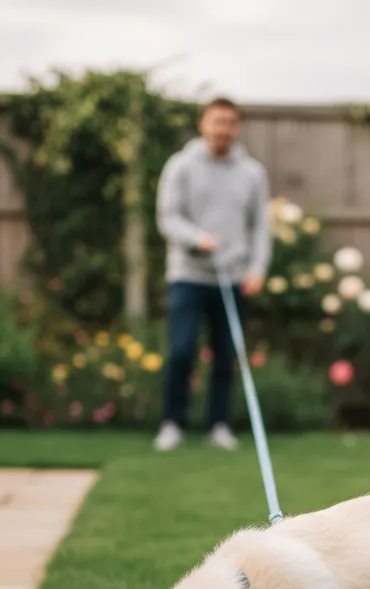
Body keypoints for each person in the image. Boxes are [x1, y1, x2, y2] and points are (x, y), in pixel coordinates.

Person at [153, 97, 271, 452]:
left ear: (237, 128)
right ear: (203, 124)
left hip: (233, 277)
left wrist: (257, 269)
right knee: (181, 351)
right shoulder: (180, 166)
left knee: (225, 356)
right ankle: (172, 424)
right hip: (188, 275)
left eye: (230, 123)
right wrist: (197, 239)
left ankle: (218, 425)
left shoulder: (252, 173)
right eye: (217, 121)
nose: (223, 129)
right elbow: (168, 217)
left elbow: (260, 227)